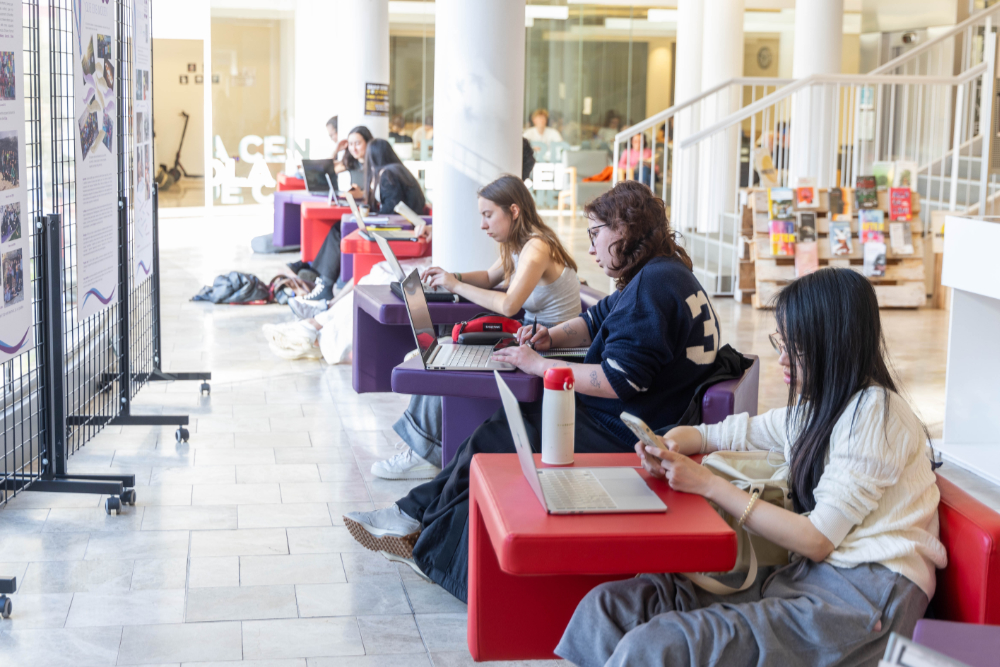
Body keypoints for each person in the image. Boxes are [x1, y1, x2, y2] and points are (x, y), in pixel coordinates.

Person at [344, 181, 724, 601]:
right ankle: (414, 518)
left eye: (597, 233)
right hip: (637, 418)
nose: (592, 248)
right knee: (497, 431)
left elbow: (619, 381)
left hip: (628, 432)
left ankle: (418, 526)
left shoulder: (650, 288)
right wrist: (550, 337)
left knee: (497, 438)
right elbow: (594, 320)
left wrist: (540, 367)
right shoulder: (661, 273)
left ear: (625, 230)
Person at [556, 268, 947, 667]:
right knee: (608, 608)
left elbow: (816, 540)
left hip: (864, 598)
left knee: (662, 644)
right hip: (804, 574)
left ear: (833, 345)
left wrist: (708, 484)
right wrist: (672, 442)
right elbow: (730, 433)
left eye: (795, 346)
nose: (782, 357)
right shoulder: (817, 411)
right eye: (781, 341)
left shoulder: (876, 413)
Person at [370, 174, 582, 480]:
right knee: (443, 351)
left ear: (514, 210)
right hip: (533, 337)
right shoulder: (518, 245)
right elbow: (488, 277)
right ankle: (425, 449)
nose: (483, 225)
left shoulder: (536, 248)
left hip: (553, 346)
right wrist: (450, 276)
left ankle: (423, 453)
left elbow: (509, 305)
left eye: (488, 215)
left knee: (443, 360)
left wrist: (455, 284)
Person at [264, 140, 430, 358]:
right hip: (411, 234)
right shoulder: (393, 171)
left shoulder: (388, 174)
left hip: (407, 234)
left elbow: (391, 210)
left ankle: (320, 316)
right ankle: (321, 311)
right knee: (373, 270)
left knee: (377, 274)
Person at [290, 126, 373, 303]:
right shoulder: (352, 163)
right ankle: (315, 273)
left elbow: (377, 193)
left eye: (357, 143)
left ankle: (318, 276)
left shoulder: (373, 163)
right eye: (350, 144)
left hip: (370, 213)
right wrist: (336, 151)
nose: (354, 148)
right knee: (335, 227)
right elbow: (322, 171)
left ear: (368, 142)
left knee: (338, 229)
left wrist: (363, 194)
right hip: (357, 210)